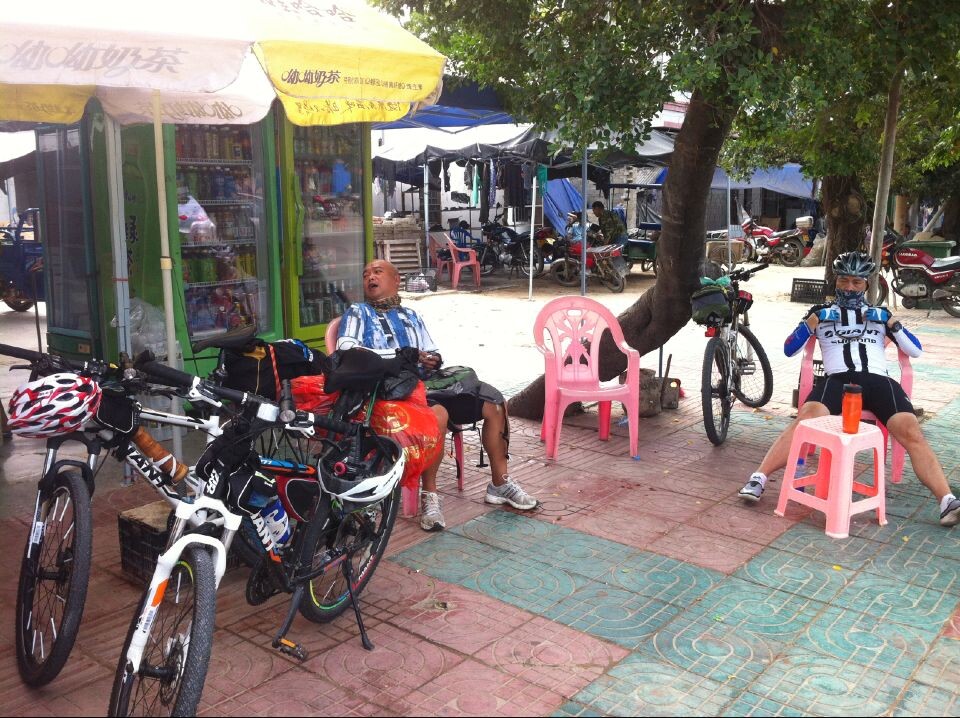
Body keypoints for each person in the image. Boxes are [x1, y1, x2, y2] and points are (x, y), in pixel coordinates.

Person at [738, 251, 960, 527]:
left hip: (877, 381)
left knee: (910, 429)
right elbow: (789, 349)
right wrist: (812, 323)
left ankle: (947, 500)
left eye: (857, 282)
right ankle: (758, 478)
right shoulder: (819, 312)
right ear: (836, 281)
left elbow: (914, 350)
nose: (850, 287)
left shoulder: (880, 315)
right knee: (806, 419)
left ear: (867, 284)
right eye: (844, 280)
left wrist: (892, 323)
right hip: (837, 380)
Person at [337, 259, 538, 531]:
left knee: (494, 402)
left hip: (427, 384)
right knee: (438, 414)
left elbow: (431, 349)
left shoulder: (411, 315)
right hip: (389, 391)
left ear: (396, 280)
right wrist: (399, 356)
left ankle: (499, 484)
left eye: (377, 272)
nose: (370, 277)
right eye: (365, 274)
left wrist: (432, 359)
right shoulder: (358, 312)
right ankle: (429, 496)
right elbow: (346, 349)